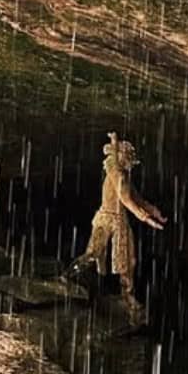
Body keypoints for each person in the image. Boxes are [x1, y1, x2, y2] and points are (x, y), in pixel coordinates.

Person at [68, 133, 166, 323]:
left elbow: (136, 197)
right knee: (93, 253)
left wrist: (154, 211)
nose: (130, 162)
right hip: (106, 219)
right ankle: (69, 277)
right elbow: (126, 200)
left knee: (128, 260)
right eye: (127, 157)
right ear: (121, 157)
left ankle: (127, 295)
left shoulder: (125, 175)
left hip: (120, 221)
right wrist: (146, 219)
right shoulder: (116, 172)